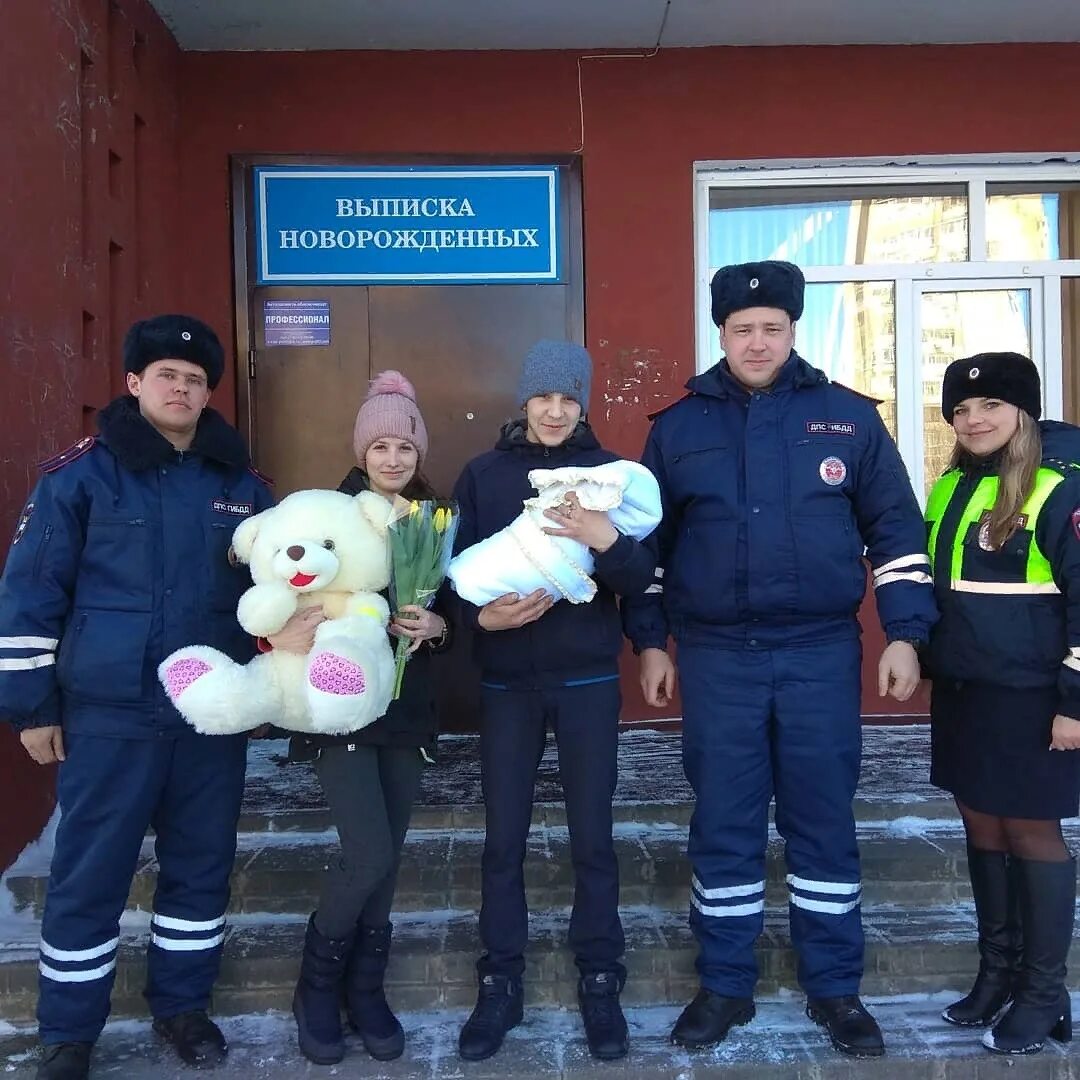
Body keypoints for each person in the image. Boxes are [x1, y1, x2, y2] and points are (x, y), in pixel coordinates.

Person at [622, 261, 939, 1058]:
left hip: (819, 653)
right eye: (741, 329)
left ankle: (835, 988)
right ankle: (724, 985)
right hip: (719, 655)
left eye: (771, 327)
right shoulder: (678, 426)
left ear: (794, 331)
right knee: (724, 822)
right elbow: (648, 549)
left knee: (822, 820)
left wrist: (905, 631)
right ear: (720, 334)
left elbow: (897, 534)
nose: (756, 341)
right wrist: (651, 641)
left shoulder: (849, 419)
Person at [0, 315, 273, 1080]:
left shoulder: (241, 487)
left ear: (209, 392)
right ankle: (68, 1034)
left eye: (194, 381)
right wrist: (32, 706)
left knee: (199, 866)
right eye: (166, 376)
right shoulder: (80, 477)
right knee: (90, 873)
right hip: (109, 713)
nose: (181, 389)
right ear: (133, 383)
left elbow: (272, 597)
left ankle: (182, 1009)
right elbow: (30, 593)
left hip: (208, 716)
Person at [450, 341, 655, 1063]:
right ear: (524, 401)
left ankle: (600, 978)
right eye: (544, 397)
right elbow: (453, 582)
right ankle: (500, 982)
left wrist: (608, 540)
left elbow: (639, 579)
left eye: (569, 398)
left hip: (587, 682)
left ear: (583, 403)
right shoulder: (483, 476)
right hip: (507, 684)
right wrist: (483, 621)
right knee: (501, 842)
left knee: (592, 839)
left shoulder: (612, 478)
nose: (555, 410)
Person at [283, 371, 451, 1067]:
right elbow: (282, 578)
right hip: (342, 705)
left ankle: (366, 987)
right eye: (379, 445)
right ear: (362, 450)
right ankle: (315, 988)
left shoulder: (433, 518)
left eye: (403, 446)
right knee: (368, 851)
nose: (392, 458)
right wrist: (288, 626)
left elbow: (460, 609)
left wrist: (440, 625)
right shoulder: (329, 514)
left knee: (387, 857)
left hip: (408, 709)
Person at [924, 352, 1080, 1056]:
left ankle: (1046, 996)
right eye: (961, 409)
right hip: (965, 693)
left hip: (1033, 698)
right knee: (982, 828)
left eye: (989, 405)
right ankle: (999, 975)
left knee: (1031, 834)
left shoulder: (1057, 491)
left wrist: (1075, 703)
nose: (974, 418)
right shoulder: (950, 485)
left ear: (1022, 411)